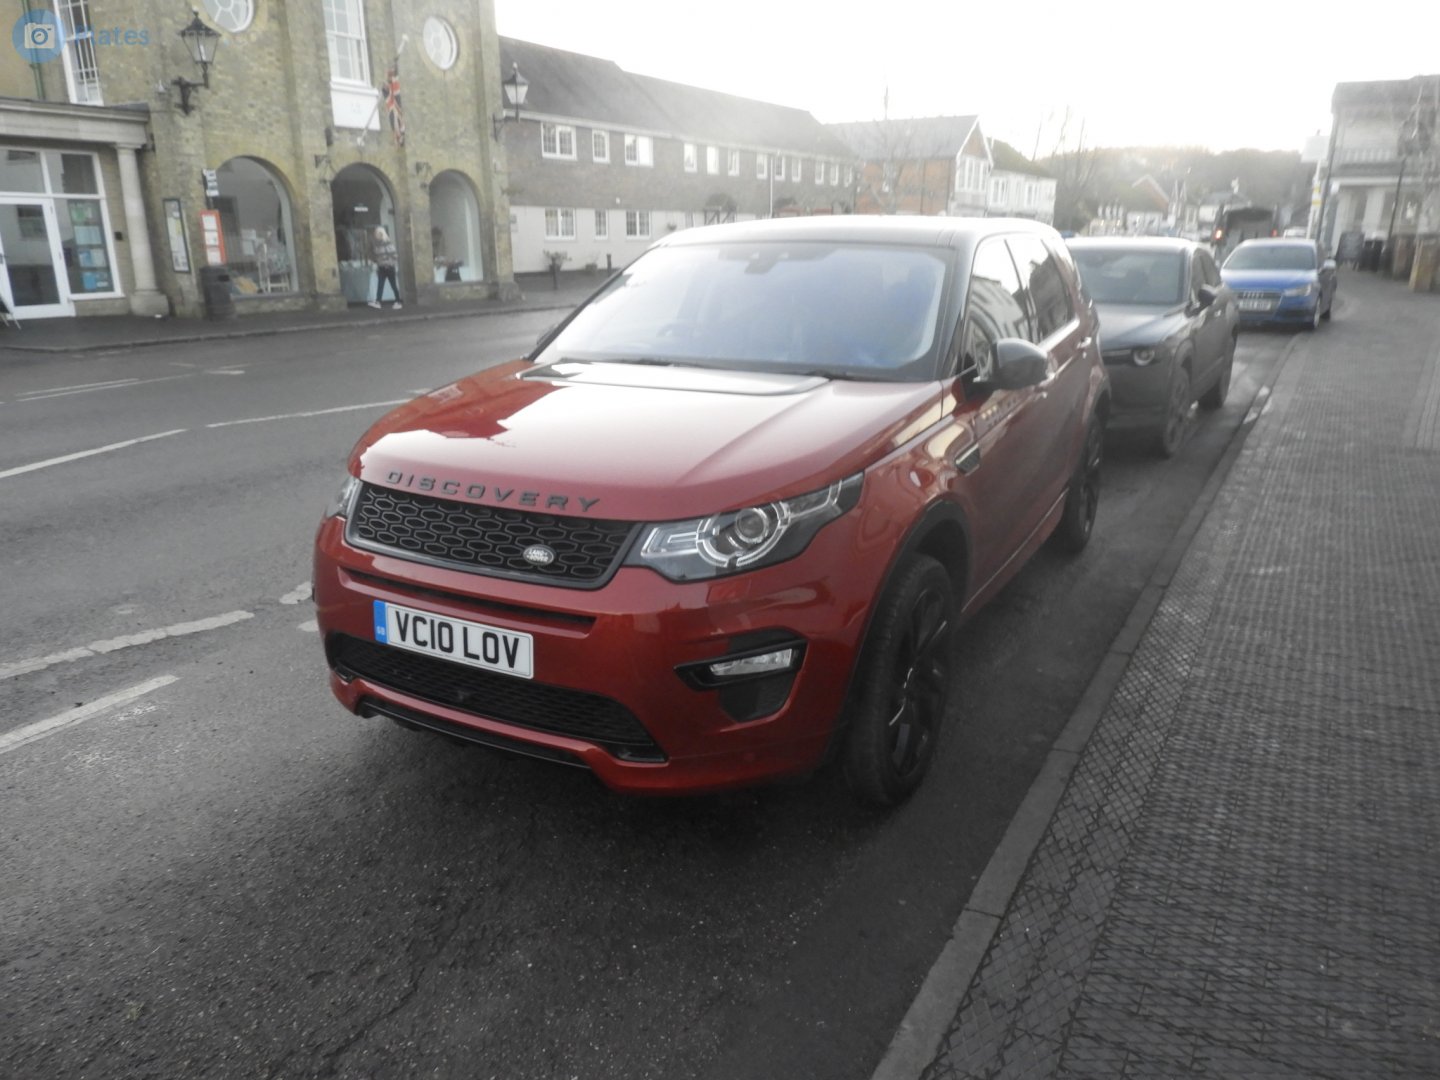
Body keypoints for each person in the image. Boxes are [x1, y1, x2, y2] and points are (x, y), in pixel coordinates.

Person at [369, 226, 401, 309]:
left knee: (393, 285)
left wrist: (389, 263)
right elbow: (377, 256)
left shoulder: (388, 243)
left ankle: (398, 301)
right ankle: (378, 302)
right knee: (380, 285)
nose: (376, 235)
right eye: (375, 233)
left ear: (381, 234)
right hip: (382, 267)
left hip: (388, 267)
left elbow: (394, 256)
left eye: (377, 233)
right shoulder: (378, 245)